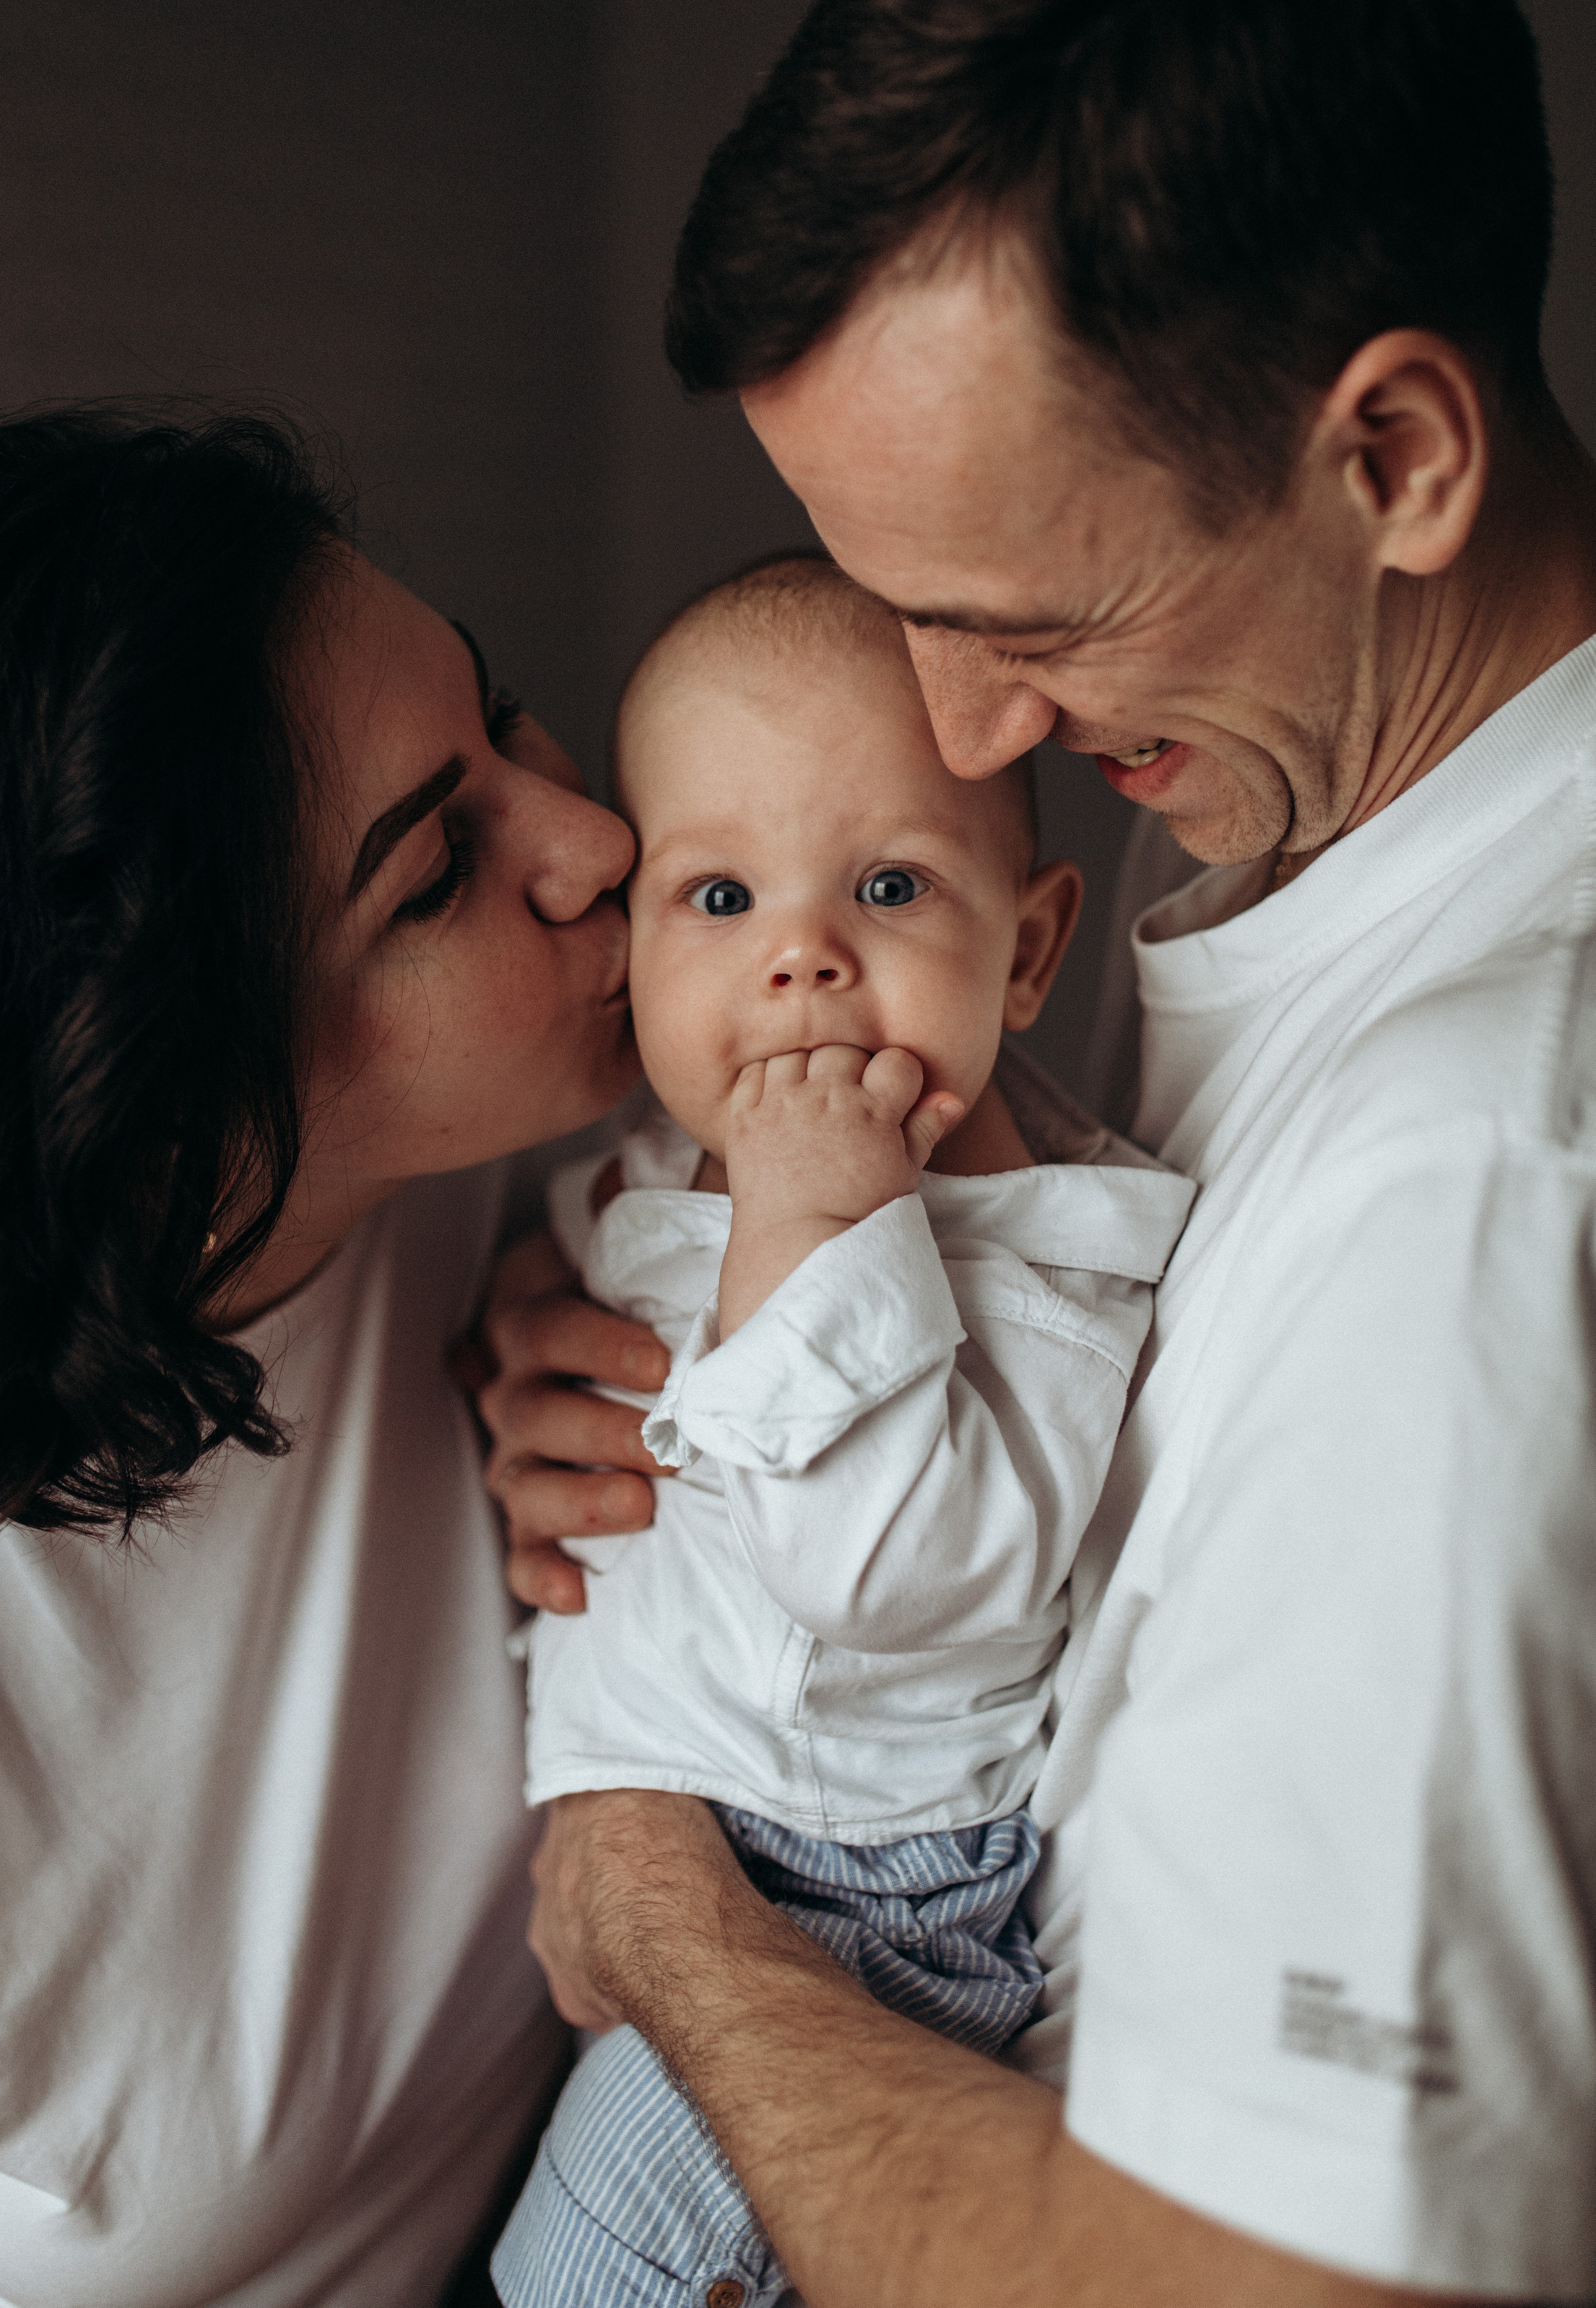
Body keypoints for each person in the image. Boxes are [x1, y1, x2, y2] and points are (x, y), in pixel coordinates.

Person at [477, 0, 1596, 2304]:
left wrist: (653, 1899)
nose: (960, 735)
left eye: (1030, 619)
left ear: (1393, 453)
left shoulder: (1474, 1167)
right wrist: (687, 1399)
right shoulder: (1269, 897)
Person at [0, 407, 649, 2308]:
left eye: (501, 713)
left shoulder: (510, 1199)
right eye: (435, 874)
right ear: (150, 1107)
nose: (596, 839)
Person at [490, 554, 1194, 2308]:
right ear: (634, 954)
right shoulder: (672, 1169)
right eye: (716, 895)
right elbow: (618, 1313)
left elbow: (881, 1577)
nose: (800, 955)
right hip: (714, 1852)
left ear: (1024, 952)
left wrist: (823, 1228)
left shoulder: (1033, 1263)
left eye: (885, 885)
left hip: (847, 1916)